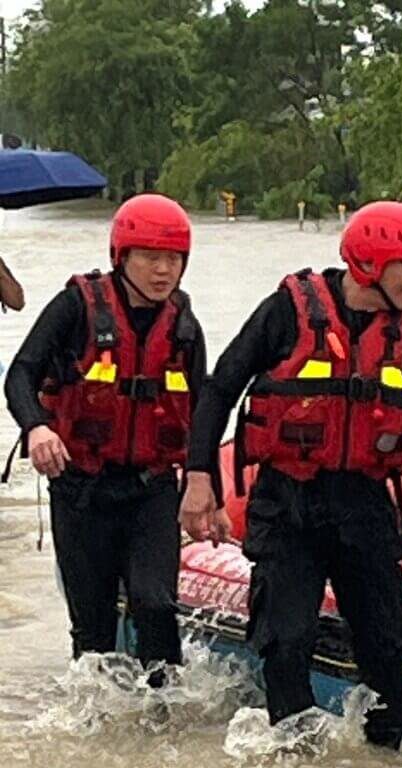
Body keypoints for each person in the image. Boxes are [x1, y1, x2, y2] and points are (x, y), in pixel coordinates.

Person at [178, 200, 402, 747]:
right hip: (288, 503)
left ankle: (383, 752)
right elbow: (220, 389)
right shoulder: (286, 311)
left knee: (385, 643)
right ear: (371, 262)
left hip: (364, 506)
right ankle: (293, 751)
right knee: (288, 637)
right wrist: (200, 478)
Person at [3, 194, 207, 681]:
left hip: (151, 488)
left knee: (155, 604)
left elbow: (203, 408)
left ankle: (164, 724)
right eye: (151, 258)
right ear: (122, 256)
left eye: (174, 259)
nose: (164, 271)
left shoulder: (183, 325)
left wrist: (208, 490)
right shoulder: (76, 305)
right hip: (81, 489)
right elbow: (20, 375)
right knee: (92, 631)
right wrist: (37, 428)